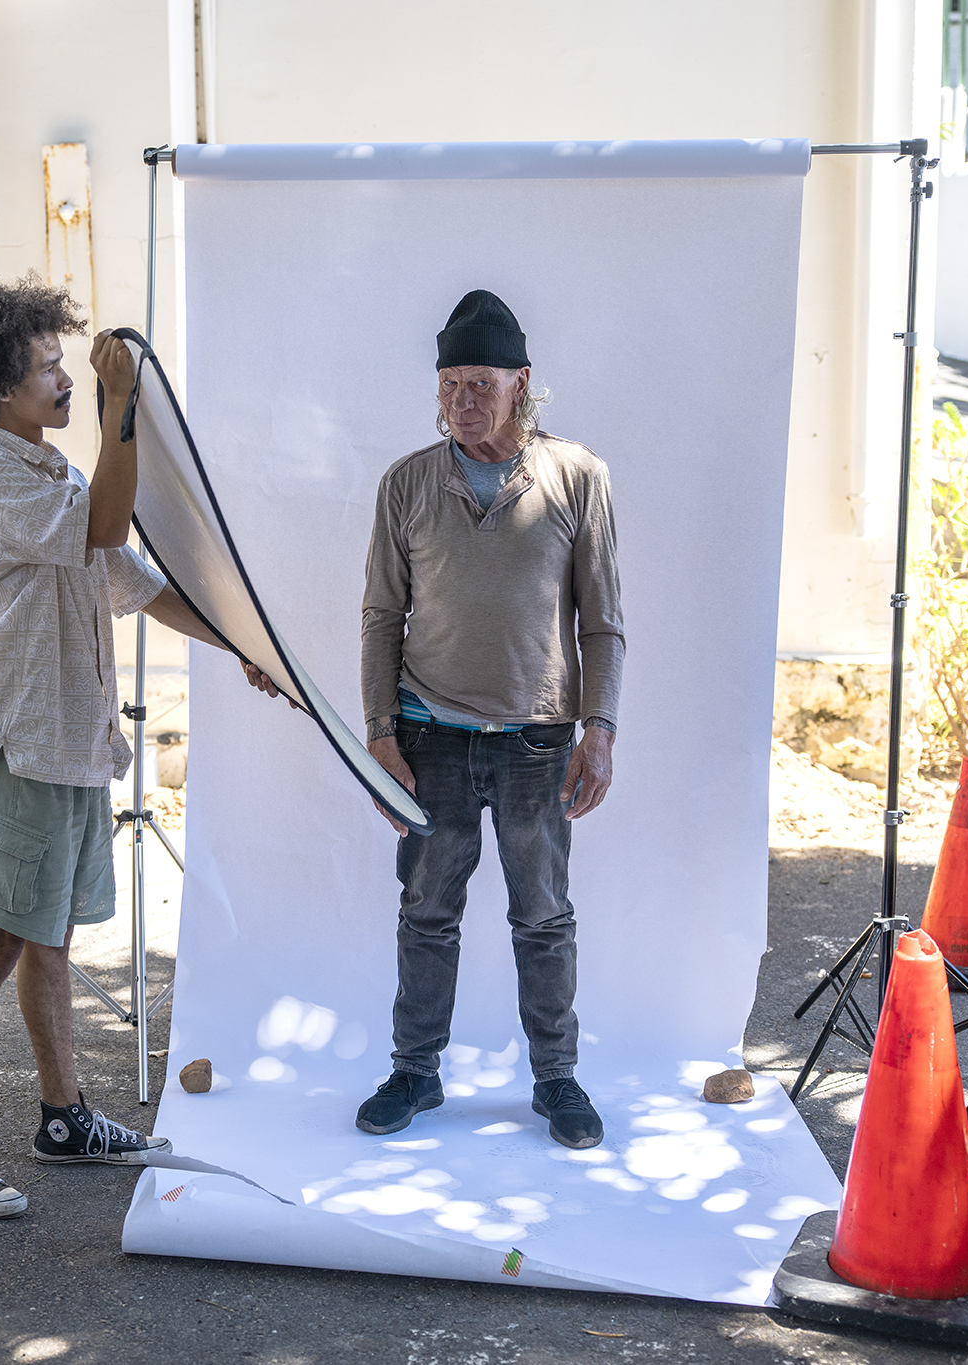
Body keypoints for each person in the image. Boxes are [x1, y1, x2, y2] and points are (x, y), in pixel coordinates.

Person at [0, 275, 277, 1218]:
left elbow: (136, 580)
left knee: (50, 937)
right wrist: (122, 409)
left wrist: (240, 645)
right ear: (0, 386)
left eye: (68, 364)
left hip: (74, 743)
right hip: (18, 742)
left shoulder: (58, 473)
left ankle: (62, 1114)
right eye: (49, 367)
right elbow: (108, 524)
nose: (67, 378)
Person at [355, 288, 624, 1150]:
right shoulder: (406, 485)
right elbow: (379, 617)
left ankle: (557, 1079)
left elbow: (602, 619)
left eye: (482, 381)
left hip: (536, 742)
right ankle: (415, 1070)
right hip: (428, 734)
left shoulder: (576, 476)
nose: (464, 398)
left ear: (522, 384)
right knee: (427, 908)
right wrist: (378, 732)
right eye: (451, 382)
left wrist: (601, 727)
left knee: (543, 914)